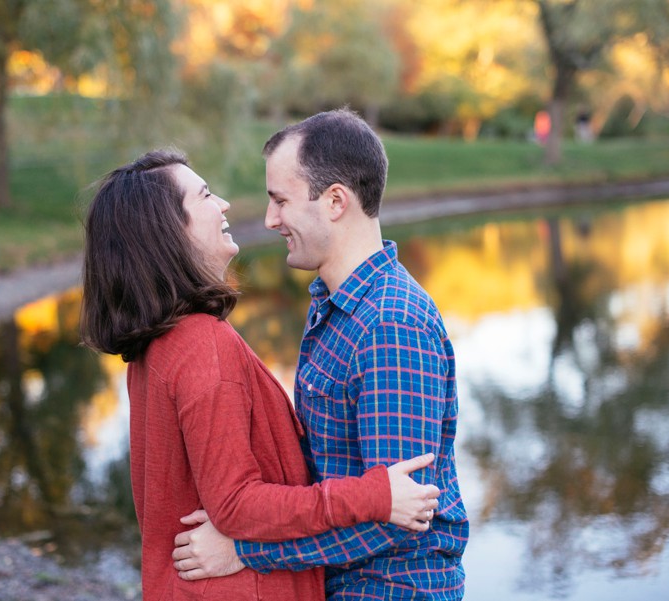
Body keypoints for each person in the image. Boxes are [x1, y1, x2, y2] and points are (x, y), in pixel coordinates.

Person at [79, 149, 442, 600]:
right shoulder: (200, 345)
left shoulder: (159, 345)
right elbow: (236, 504)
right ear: (169, 230)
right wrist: (372, 496)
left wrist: (245, 551)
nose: (226, 205)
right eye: (206, 195)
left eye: (281, 201)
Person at [172, 109, 469, 599]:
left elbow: (398, 518)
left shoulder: (390, 325)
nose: (270, 220)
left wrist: (244, 550)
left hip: (391, 589)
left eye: (280, 200)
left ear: (335, 201)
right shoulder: (335, 306)